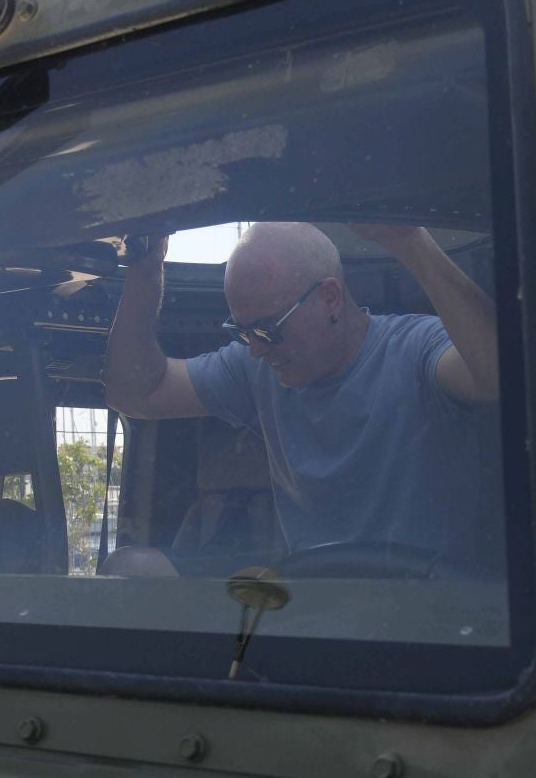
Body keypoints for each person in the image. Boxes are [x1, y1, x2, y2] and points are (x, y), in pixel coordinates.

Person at [102, 221, 503, 576]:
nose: (256, 350)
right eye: (242, 334)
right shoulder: (255, 367)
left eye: (266, 331)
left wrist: (411, 241)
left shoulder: (415, 349)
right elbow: (137, 392)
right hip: (312, 610)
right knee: (130, 569)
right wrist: (146, 264)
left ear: (330, 298)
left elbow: (497, 377)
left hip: (433, 618)